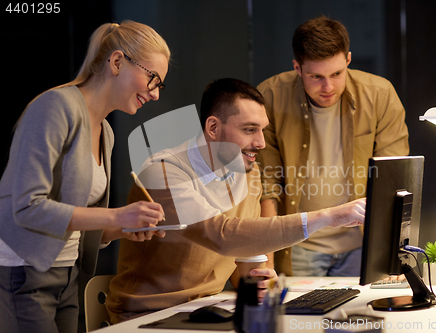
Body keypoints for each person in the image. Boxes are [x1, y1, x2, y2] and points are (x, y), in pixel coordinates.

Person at [106, 78, 366, 323]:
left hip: (209, 309)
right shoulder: (162, 172)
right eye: (249, 129)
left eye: (262, 130)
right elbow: (218, 234)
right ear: (213, 127)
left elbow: (244, 255)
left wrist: (258, 277)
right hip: (148, 314)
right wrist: (328, 217)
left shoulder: (248, 172)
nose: (261, 142)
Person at [0, 21, 170, 333]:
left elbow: (77, 223)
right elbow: (27, 207)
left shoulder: (105, 131)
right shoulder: (55, 106)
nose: (156, 94)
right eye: (153, 78)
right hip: (24, 272)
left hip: (67, 274)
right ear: (117, 62)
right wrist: (113, 215)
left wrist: (119, 229)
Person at [256, 16, 409, 277]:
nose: (328, 87)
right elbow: (267, 187)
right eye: (316, 76)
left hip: (362, 244)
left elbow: (392, 181)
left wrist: (390, 254)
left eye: (337, 74)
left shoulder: (380, 95)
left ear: (348, 60)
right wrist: (265, 262)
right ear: (297, 67)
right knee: (299, 318)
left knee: (364, 317)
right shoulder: (270, 97)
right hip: (298, 246)